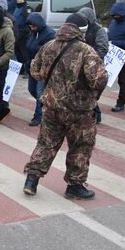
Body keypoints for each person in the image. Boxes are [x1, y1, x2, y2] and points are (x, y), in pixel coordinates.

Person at [23, 13, 107, 200]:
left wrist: (53, 82)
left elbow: (35, 70)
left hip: (52, 107)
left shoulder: (48, 45)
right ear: (82, 31)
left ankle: (31, 180)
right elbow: (98, 80)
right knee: (81, 146)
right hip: (79, 111)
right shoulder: (86, 51)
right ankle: (75, 186)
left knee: (46, 143)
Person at [78, 7, 108, 123]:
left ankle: (96, 114)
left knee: (91, 91)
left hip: (93, 65)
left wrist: (91, 58)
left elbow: (103, 49)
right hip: (81, 64)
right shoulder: (81, 28)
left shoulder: (99, 30)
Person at [25, 13, 55, 126]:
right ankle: (45, 105)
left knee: (39, 92)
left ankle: (38, 116)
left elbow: (50, 51)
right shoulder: (34, 33)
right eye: (30, 26)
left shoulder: (50, 34)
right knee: (31, 89)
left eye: (33, 26)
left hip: (43, 68)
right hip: (32, 66)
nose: (31, 28)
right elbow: (29, 46)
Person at [13, 0, 31, 75]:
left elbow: (29, 20)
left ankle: (28, 71)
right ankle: (21, 69)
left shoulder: (26, 8)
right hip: (17, 34)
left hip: (23, 34)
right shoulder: (17, 7)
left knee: (25, 53)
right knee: (18, 52)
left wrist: (24, 31)